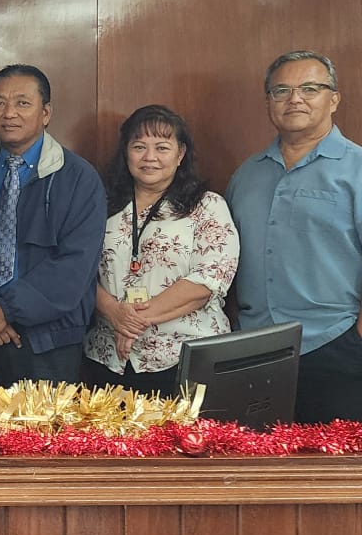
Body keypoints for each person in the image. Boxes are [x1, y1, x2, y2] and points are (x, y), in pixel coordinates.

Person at [227, 50, 362, 423]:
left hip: (335, 344)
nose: (295, 99)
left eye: (310, 88)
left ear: (333, 99)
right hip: (252, 350)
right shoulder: (247, 175)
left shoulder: (357, 169)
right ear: (268, 101)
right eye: (281, 90)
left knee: (334, 475)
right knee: (256, 472)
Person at [0, 65, 103, 386]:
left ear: (45, 112)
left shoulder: (78, 178)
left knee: (41, 435)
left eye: (22, 103)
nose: (9, 113)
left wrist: (5, 310)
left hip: (48, 342)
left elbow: (75, 265)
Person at [83, 105, 238, 397]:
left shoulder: (207, 206)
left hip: (184, 358)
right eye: (139, 146)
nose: (149, 157)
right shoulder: (99, 204)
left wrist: (130, 322)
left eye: (162, 147)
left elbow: (208, 280)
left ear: (180, 154)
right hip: (108, 358)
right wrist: (115, 313)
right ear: (125, 152)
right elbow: (78, 271)